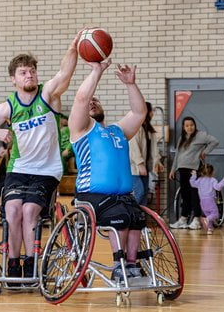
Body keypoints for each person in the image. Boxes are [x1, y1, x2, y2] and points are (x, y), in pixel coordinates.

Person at [0, 30, 81, 280]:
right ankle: (13, 265)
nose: (29, 74)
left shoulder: (47, 94)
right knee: (12, 211)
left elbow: (65, 73)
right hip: (19, 169)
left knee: (30, 210)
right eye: (23, 72)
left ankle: (31, 265)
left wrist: (74, 47)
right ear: (13, 79)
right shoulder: (8, 106)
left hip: (47, 170)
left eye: (32, 70)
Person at [69, 60, 147, 282]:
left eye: (96, 100)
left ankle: (132, 265)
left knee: (137, 217)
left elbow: (139, 112)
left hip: (122, 196)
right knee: (120, 217)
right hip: (92, 197)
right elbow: (82, 98)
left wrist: (131, 84)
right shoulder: (81, 130)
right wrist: (97, 71)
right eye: (89, 102)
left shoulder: (117, 131)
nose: (91, 102)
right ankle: (118, 265)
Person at [169, 116, 219, 230]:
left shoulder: (200, 135)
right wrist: (173, 169)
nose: (189, 127)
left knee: (194, 194)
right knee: (185, 195)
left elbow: (215, 141)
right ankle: (183, 219)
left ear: (194, 125)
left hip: (194, 169)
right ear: (183, 127)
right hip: (182, 168)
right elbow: (177, 155)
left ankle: (197, 219)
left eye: (191, 125)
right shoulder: (182, 138)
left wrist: (205, 152)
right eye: (187, 126)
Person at [129, 101, 164, 206]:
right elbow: (133, 147)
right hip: (134, 168)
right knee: (139, 192)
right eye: (151, 111)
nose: (153, 113)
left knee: (144, 194)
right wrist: (140, 164)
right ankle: (130, 215)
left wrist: (158, 162)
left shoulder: (148, 129)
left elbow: (154, 149)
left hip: (145, 168)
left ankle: (140, 219)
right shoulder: (136, 127)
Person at [189, 163, 224, 235]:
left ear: (201, 172)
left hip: (202, 202)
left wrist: (193, 175)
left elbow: (192, 184)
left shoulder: (200, 180)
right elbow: (218, 187)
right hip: (210, 200)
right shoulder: (213, 180)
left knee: (209, 215)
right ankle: (206, 220)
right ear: (212, 172)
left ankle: (209, 229)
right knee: (215, 214)